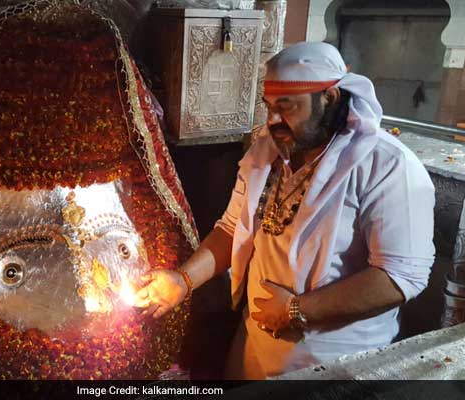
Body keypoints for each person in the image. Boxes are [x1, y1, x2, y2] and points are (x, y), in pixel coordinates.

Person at [135, 42, 435, 378]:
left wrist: (296, 310)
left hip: (333, 363)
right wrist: (183, 280)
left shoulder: (387, 165)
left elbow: (399, 276)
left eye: (287, 107)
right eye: (269, 107)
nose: (274, 120)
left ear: (330, 98)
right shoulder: (267, 152)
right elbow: (231, 229)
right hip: (254, 350)